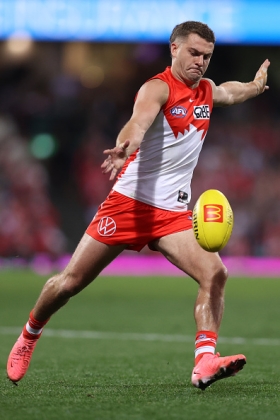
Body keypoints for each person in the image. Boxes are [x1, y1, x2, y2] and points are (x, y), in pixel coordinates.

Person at [7, 21, 270, 390]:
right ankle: (29, 335)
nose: (201, 62)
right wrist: (124, 147)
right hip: (128, 205)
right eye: (194, 53)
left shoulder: (207, 91)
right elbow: (137, 122)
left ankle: (204, 361)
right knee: (69, 284)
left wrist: (255, 87)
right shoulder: (157, 88)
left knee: (216, 273)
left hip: (171, 217)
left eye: (207, 56)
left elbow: (229, 92)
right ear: (174, 49)